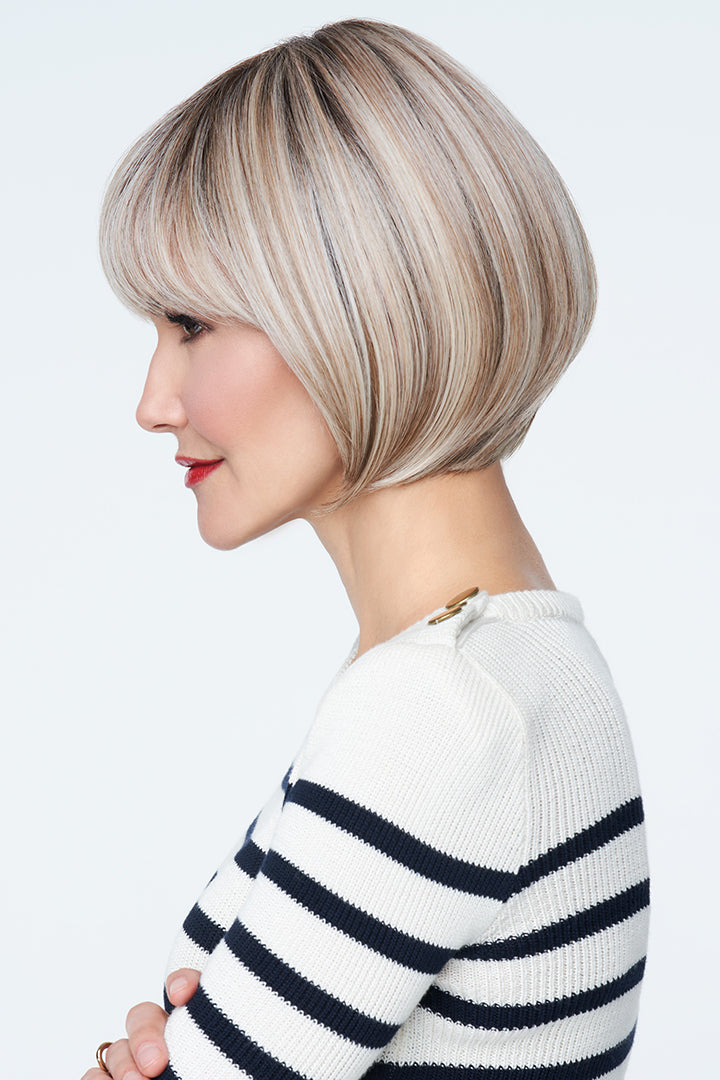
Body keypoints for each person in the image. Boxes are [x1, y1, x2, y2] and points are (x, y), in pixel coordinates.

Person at [84, 17, 649, 1080]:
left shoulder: (437, 710)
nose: (153, 404)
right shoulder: (513, 667)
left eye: (190, 325)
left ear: (353, 311)